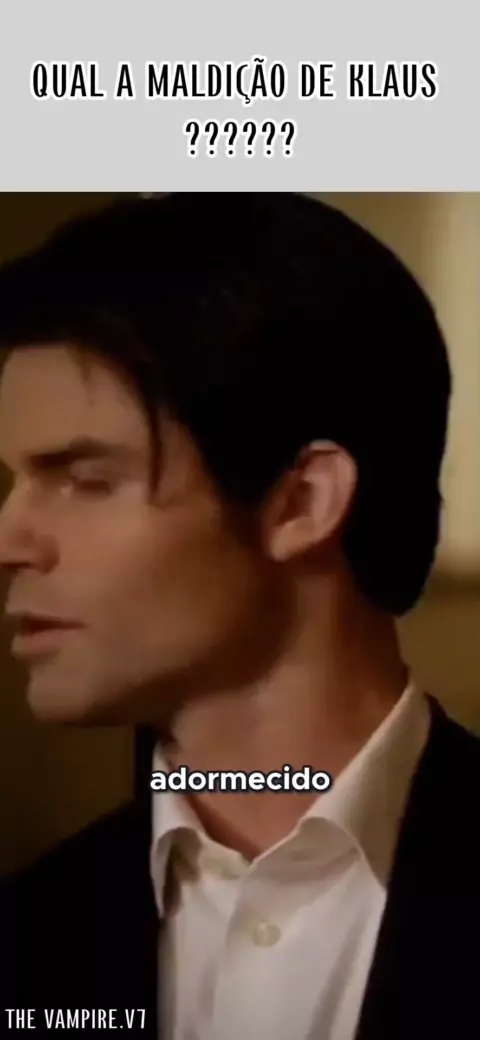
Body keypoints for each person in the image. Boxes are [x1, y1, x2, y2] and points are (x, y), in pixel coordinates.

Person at [0, 193, 478, 1040]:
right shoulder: (26, 937)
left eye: (85, 479)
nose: (10, 541)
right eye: (14, 481)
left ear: (302, 502)